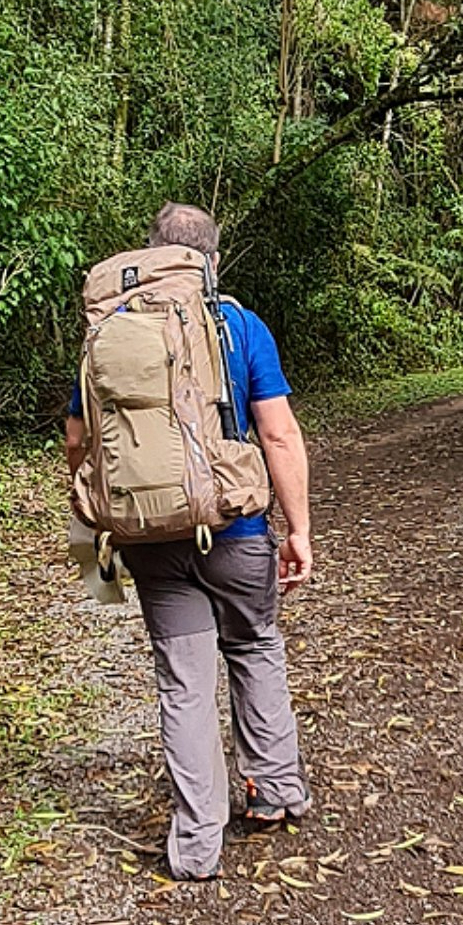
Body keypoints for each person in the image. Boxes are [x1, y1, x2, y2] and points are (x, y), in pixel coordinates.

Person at [65, 201, 314, 881]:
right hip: (234, 530)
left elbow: (79, 442)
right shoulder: (236, 323)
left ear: (151, 250)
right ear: (211, 257)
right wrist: (299, 531)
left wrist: (102, 542)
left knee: (184, 683)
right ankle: (274, 795)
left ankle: (197, 847)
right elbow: (280, 434)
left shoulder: (108, 328)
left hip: (148, 538)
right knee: (255, 643)